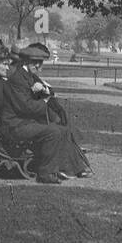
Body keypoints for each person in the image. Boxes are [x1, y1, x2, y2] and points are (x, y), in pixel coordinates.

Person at [0, 41, 81, 184]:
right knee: (53, 131)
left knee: (55, 126)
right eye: (4, 64)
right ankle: (46, 173)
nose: (8, 67)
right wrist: (32, 99)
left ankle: (61, 166)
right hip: (12, 127)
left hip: (13, 123)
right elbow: (12, 106)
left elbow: (13, 103)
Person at [9, 42, 92, 178]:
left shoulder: (30, 75)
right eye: (35, 62)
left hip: (33, 117)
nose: (38, 66)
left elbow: (49, 90)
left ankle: (74, 167)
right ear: (27, 61)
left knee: (60, 123)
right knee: (57, 125)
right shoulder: (19, 78)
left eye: (40, 63)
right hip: (26, 120)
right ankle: (66, 167)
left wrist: (44, 89)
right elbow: (25, 107)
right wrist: (45, 100)